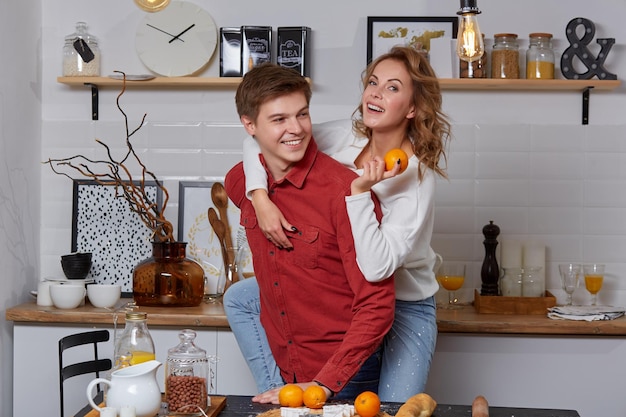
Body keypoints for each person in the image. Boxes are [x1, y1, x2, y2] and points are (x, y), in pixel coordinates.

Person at [226, 45, 452, 402]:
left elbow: (377, 268)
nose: (376, 92)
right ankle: (279, 392)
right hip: (348, 289)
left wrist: (358, 192)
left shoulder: (416, 182)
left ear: (413, 108)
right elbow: (258, 142)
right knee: (239, 297)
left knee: (394, 407)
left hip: (406, 299)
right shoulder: (344, 136)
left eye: (393, 87)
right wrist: (261, 197)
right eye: (373, 82)